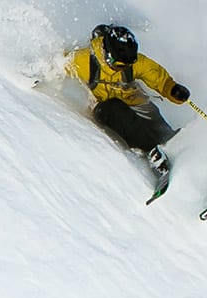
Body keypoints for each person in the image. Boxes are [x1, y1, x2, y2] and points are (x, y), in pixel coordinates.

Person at [66, 24, 191, 196]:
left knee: (160, 130)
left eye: (128, 64)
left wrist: (172, 89)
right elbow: (58, 65)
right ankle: (153, 154)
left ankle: (193, 170)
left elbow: (156, 76)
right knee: (116, 110)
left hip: (136, 103)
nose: (123, 67)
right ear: (107, 55)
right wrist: (36, 75)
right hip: (107, 109)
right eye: (119, 64)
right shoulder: (84, 60)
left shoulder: (134, 61)